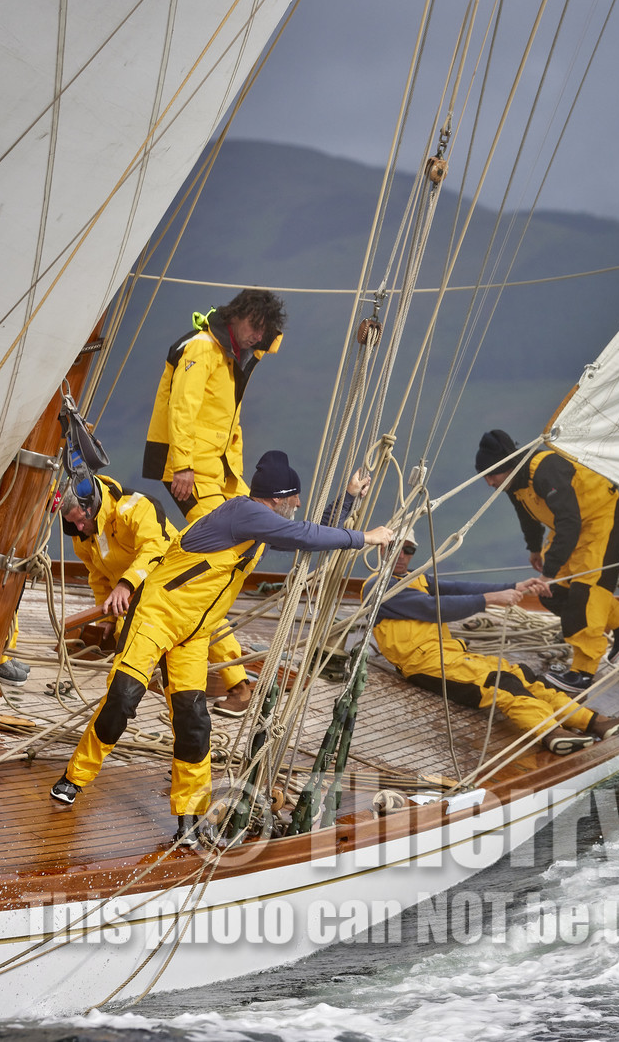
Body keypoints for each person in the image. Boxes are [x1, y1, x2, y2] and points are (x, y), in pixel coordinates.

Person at [50, 451, 395, 846]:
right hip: (155, 615)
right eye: (294, 498)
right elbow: (303, 534)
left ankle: (190, 817)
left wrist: (349, 498)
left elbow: (306, 530)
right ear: (278, 498)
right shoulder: (242, 512)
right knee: (123, 698)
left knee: (193, 722)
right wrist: (365, 537)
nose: (297, 504)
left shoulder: (259, 522)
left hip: (193, 635)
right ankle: (74, 778)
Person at [370, 537, 619, 753]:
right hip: (422, 664)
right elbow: (433, 608)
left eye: (409, 549)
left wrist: (514, 586)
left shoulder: (418, 580)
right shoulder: (378, 586)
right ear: (381, 548)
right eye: (394, 547)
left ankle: (592, 721)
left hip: (449, 655)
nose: (402, 555)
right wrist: (492, 598)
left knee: (523, 674)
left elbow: (459, 588)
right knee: (500, 683)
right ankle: (550, 734)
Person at [57, 473, 252, 707]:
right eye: (72, 522)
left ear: (93, 506)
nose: (78, 527)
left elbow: (155, 549)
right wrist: (107, 616)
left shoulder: (136, 507)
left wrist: (125, 584)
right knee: (124, 630)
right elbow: (97, 575)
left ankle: (239, 686)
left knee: (200, 621)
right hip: (136, 595)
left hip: (174, 581)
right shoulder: (82, 534)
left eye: (80, 520)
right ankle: (159, 680)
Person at [475, 430, 619, 693]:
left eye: (491, 473)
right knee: (553, 594)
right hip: (572, 526)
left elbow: (569, 522)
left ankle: (583, 672)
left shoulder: (546, 470)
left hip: (601, 519)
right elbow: (528, 516)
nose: (488, 481)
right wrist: (534, 549)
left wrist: (548, 573)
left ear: (507, 466)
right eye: (485, 475)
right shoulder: (514, 482)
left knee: (585, 594)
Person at [143, 288, 286, 523]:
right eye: (255, 326)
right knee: (224, 537)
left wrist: (235, 468)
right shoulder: (202, 348)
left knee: (259, 529)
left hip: (220, 467)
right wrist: (182, 466)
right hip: (189, 467)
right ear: (236, 315)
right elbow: (182, 407)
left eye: (264, 330)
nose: (259, 336)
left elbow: (226, 419)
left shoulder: (236, 354)